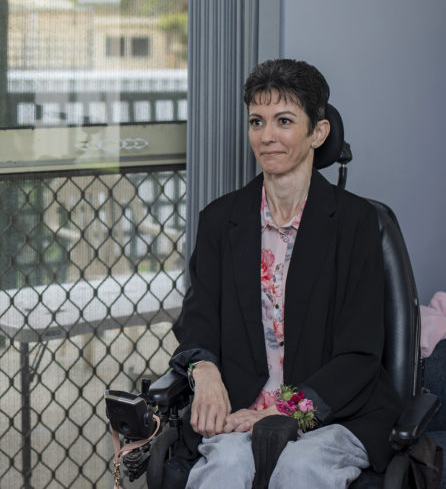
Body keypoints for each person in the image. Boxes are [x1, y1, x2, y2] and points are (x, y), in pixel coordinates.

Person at [169, 59, 402, 488]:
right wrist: (203, 373)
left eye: (284, 121)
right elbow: (198, 320)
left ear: (318, 132)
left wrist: (287, 410)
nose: (267, 136)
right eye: (257, 121)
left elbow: (361, 352)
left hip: (333, 414)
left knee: (299, 469)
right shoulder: (221, 221)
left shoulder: (356, 223)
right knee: (225, 469)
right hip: (242, 409)